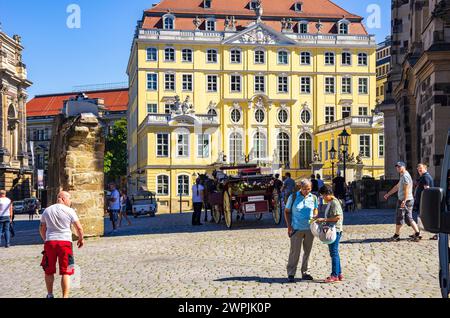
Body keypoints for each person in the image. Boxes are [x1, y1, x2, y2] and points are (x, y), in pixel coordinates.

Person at [39, 191, 84, 298]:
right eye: (69, 199)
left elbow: (42, 228)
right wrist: (81, 239)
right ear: (63, 199)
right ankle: (65, 296)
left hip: (50, 242)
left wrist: (45, 239)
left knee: (49, 270)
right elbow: (79, 228)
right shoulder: (70, 211)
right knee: (66, 271)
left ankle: (50, 294)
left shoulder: (47, 211)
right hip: (65, 243)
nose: (70, 201)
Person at [284, 179, 319, 283]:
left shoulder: (313, 197)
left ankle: (305, 272)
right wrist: (289, 227)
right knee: (295, 252)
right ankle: (291, 273)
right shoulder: (293, 197)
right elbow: (286, 212)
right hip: (296, 228)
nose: (306, 191)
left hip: (310, 229)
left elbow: (316, 208)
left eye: (308, 189)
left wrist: (315, 215)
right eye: (304, 189)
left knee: (307, 252)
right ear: (300, 188)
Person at [384, 162, 422, 242]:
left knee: (399, 217)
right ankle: (417, 233)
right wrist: (388, 194)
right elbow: (397, 187)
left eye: (399, 167)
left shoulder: (405, 176)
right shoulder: (403, 175)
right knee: (409, 218)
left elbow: (406, 189)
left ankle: (396, 235)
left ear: (403, 167)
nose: (397, 168)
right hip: (408, 199)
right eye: (397, 167)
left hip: (405, 200)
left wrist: (404, 200)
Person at [317, 185, 344, 283]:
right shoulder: (330, 202)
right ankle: (339, 273)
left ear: (327, 194)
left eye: (323, 196)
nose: (323, 198)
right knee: (335, 252)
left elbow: (337, 217)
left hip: (335, 230)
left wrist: (324, 219)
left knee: (334, 253)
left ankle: (334, 275)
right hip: (332, 229)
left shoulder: (334, 203)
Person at [413, 163, 436, 240]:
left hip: (424, 201)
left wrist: (425, 202)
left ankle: (436, 234)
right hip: (422, 201)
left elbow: (427, 190)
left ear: (425, 169)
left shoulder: (425, 177)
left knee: (427, 217)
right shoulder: (423, 177)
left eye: (421, 168)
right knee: (420, 217)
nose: (419, 169)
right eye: (418, 168)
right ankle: (417, 232)